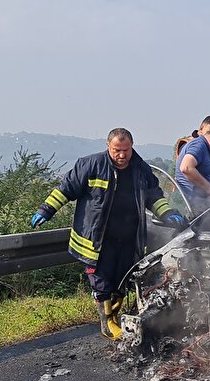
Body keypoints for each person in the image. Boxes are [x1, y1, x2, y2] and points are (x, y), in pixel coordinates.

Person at [31, 128, 187, 340]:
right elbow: (66, 189)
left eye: (126, 150)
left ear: (132, 147)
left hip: (128, 236)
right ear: (108, 147)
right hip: (98, 238)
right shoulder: (90, 165)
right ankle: (107, 324)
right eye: (116, 150)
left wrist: (168, 213)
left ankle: (116, 315)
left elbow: (153, 196)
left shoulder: (140, 169)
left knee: (123, 277)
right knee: (102, 280)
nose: (122, 155)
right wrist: (46, 210)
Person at [176, 125, 210, 215]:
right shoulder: (199, 145)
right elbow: (186, 168)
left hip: (201, 205)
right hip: (193, 206)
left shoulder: (204, 148)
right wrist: (209, 187)